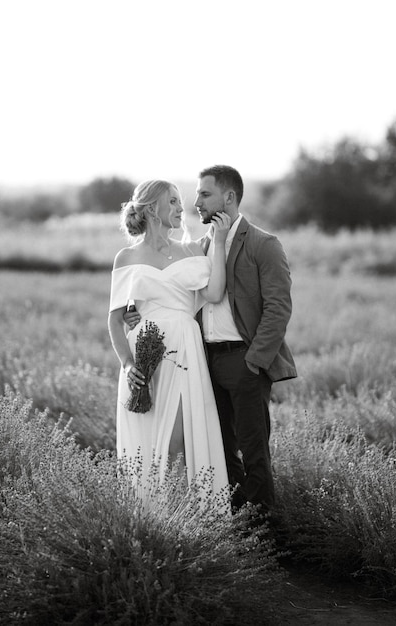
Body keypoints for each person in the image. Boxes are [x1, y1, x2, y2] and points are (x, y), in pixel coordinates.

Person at [125, 166, 297, 515]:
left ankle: (267, 533)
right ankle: (234, 521)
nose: (196, 202)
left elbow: (278, 309)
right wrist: (139, 316)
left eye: (205, 194)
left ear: (229, 197)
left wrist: (254, 362)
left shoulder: (264, 244)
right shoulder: (199, 247)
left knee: (254, 452)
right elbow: (176, 296)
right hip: (203, 362)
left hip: (245, 361)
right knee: (218, 449)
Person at [108, 179, 230, 500]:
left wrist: (218, 242)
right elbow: (115, 318)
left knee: (178, 444)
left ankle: (178, 522)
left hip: (183, 351)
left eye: (180, 201)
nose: (181, 208)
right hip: (142, 357)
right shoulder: (126, 258)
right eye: (173, 202)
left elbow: (214, 293)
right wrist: (127, 363)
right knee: (143, 446)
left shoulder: (191, 250)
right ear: (152, 209)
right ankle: (150, 524)